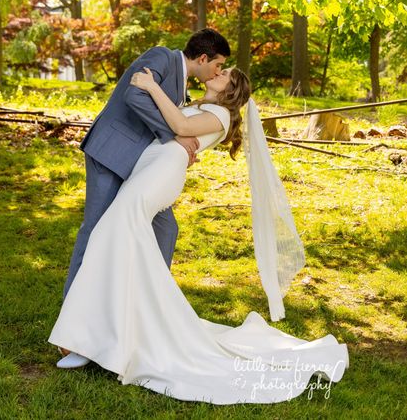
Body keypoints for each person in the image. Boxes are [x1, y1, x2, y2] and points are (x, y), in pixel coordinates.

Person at [49, 66, 348, 404]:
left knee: (108, 236)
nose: (217, 72)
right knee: (120, 244)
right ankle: (107, 334)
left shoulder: (220, 114)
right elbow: (170, 128)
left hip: (160, 174)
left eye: (224, 74)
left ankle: (89, 339)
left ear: (229, 90)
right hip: (149, 167)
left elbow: (180, 127)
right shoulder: (200, 104)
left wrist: (149, 85)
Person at [63, 28, 230, 299]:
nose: (217, 72)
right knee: (94, 227)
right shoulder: (161, 56)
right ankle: (71, 307)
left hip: (140, 166)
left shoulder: (184, 85)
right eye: (218, 65)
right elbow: (135, 95)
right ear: (202, 58)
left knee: (166, 228)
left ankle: (152, 301)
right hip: (111, 153)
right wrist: (174, 133)